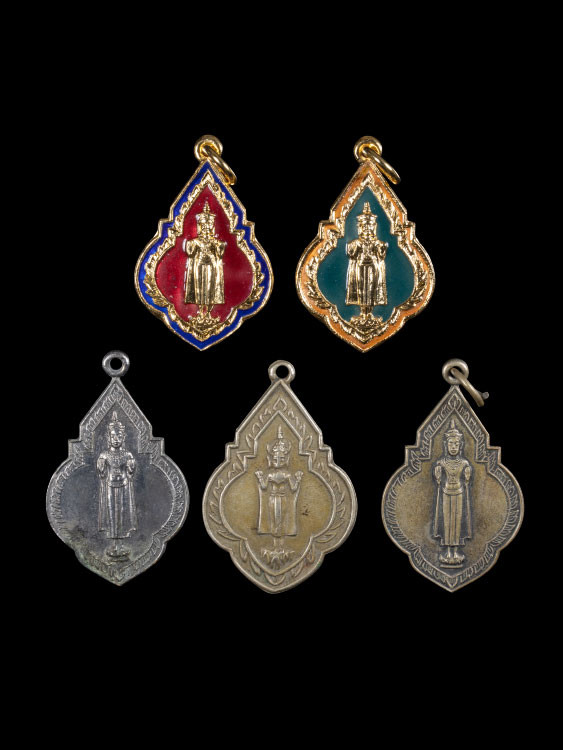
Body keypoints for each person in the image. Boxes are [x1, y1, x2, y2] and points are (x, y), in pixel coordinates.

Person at [255, 426, 303, 567]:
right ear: (271, 459)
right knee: (273, 522)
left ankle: (281, 546)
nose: (278, 460)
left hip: (283, 500)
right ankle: (275, 546)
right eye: (275, 458)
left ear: (285, 459)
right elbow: (264, 487)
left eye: (281, 458)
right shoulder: (270, 474)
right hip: (272, 499)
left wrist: (298, 479)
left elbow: (293, 488)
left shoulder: (287, 474)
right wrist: (260, 478)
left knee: (281, 521)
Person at [97, 412, 137, 559]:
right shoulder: (104, 454)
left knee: (122, 513)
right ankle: (114, 544)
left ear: (123, 437)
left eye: (119, 436)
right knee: (111, 514)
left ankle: (121, 544)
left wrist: (131, 465)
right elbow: (101, 473)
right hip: (109, 486)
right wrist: (101, 465)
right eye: (113, 436)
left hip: (124, 486)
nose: (116, 439)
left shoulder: (127, 455)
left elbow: (131, 471)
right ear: (108, 438)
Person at [432, 419, 472, 566]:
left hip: (459, 493)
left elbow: (467, 480)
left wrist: (467, 476)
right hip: (445, 493)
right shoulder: (441, 463)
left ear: (460, 445)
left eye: (456, 444)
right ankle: (448, 552)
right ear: (446, 445)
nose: (453, 447)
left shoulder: (464, 463)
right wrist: (437, 475)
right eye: (451, 444)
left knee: (457, 522)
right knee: (447, 522)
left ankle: (456, 552)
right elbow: (438, 479)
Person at [345, 202, 388, 312]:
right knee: (360, 287)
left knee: (372, 287)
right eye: (365, 226)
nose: (367, 228)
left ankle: (370, 309)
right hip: (360, 265)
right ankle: (363, 309)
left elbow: (381, 255)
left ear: (374, 227)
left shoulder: (376, 242)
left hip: (373, 266)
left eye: (370, 226)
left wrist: (382, 248)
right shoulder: (357, 242)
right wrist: (354, 246)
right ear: (360, 227)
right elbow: (351, 254)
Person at [184, 200, 226, 308]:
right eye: (204, 225)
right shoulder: (195, 241)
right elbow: (190, 253)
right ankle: (200, 306)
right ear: (200, 226)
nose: (206, 227)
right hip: (199, 263)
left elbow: (220, 254)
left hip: (211, 263)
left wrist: (219, 245)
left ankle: (209, 307)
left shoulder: (215, 242)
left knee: (211, 285)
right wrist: (192, 243)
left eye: (209, 224)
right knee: (198, 284)